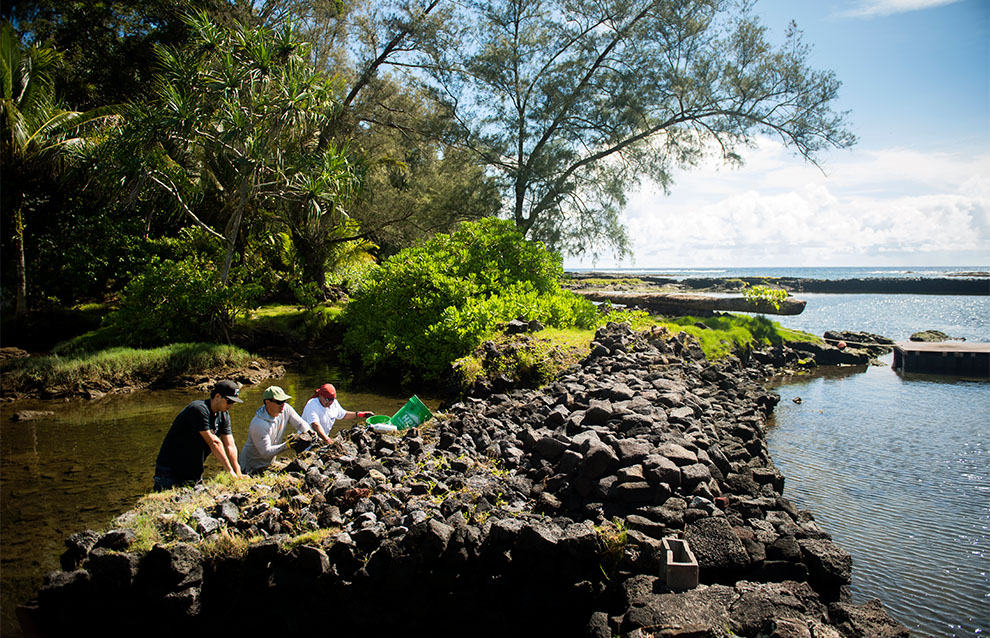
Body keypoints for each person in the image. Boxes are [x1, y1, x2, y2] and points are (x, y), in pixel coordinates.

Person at [154, 380, 244, 491]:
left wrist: (237, 470)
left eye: (233, 402)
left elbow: (230, 445)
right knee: (167, 504)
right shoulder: (198, 409)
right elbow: (214, 442)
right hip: (170, 469)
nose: (231, 405)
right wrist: (229, 471)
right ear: (217, 396)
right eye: (229, 401)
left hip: (193, 469)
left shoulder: (224, 415)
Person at [239, 385, 312, 474]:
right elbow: (265, 452)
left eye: (284, 401)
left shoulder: (286, 409)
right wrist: (287, 445)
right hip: (250, 467)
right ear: (267, 402)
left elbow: (300, 423)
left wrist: (308, 432)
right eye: (278, 402)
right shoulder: (258, 423)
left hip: (269, 463)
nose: (282, 405)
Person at [300, 383, 374, 444]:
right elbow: (315, 425)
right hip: (306, 440)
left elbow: (344, 415)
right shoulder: (312, 404)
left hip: (322, 439)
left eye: (331, 399)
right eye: (327, 399)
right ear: (320, 395)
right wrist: (327, 440)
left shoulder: (333, 404)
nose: (329, 402)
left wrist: (361, 414)